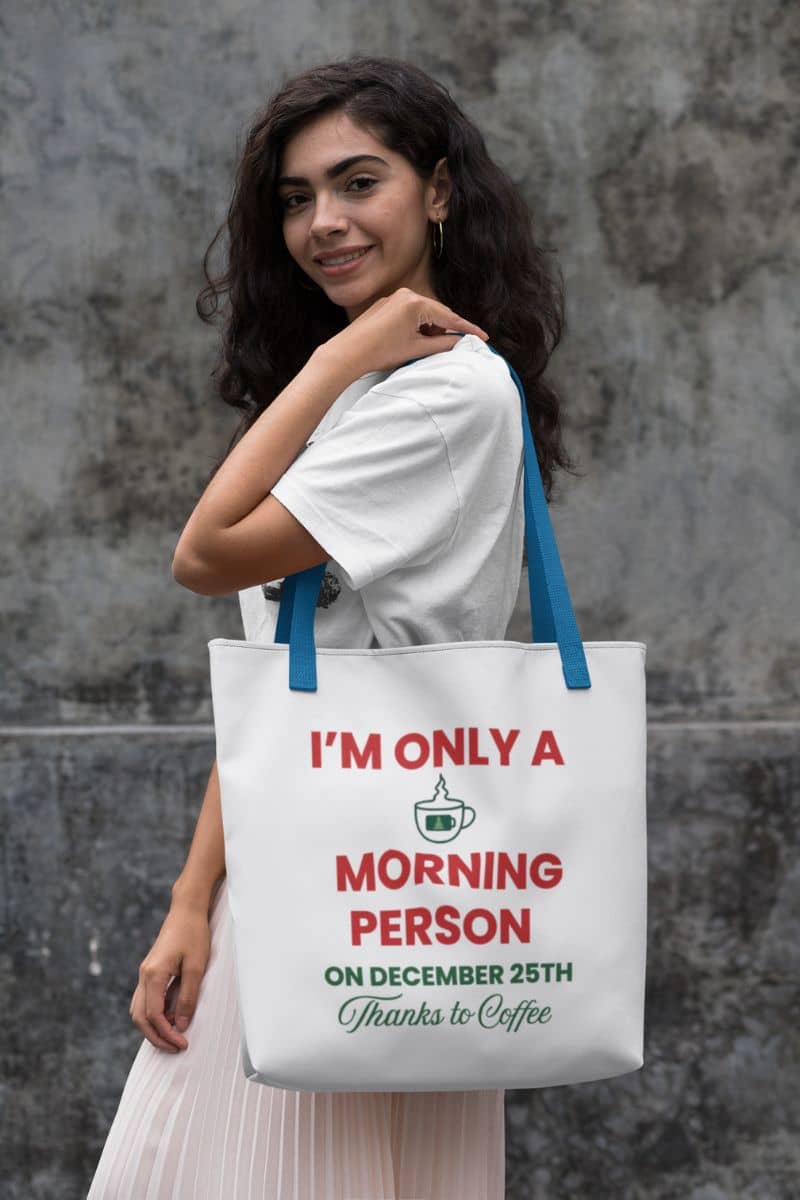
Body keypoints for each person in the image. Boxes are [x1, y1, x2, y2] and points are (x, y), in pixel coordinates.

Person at [86, 52, 577, 1199]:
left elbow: (203, 556)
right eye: (296, 198)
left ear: (440, 191)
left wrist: (341, 352)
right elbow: (287, 678)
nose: (324, 222)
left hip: (358, 890)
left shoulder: (439, 391)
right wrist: (192, 904)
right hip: (335, 875)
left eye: (359, 183)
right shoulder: (377, 388)